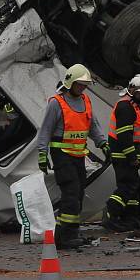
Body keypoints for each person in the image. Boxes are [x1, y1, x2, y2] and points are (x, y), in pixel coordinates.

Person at [36, 64, 108, 250]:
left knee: (78, 194)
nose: (83, 88)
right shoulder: (56, 103)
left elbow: (93, 127)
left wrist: (102, 144)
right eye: (80, 84)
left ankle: (70, 233)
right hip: (61, 156)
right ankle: (63, 237)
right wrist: (43, 154)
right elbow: (45, 131)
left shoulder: (86, 101)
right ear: (70, 83)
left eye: (85, 85)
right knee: (70, 193)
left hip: (78, 156)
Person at [102, 74, 140, 232]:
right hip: (122, 155)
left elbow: (136, 135)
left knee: (133, 187)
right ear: (133, 90)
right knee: (127, 186)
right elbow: (124, 135)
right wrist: (132, 157)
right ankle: (111, 212)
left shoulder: (133, 106)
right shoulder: (125, 107)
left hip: (128, 154)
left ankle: (130, 218)